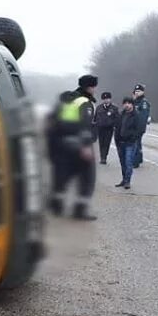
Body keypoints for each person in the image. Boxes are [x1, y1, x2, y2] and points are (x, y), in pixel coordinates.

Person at [48, 75, 98, 220]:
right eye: (94, 86)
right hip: (78, 146)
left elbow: (53, 120)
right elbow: (84, 126)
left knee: (62, 176)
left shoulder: (67, 100)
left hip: (62, 144)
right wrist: (86, 146)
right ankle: (80, 210)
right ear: (90, 87)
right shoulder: (84, 102)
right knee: (88, 178)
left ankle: (56, 206)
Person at [114, 97, 146, 190]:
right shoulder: (121, 114)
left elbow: (139, 130)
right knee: (122, 162)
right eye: (125, 103)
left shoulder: (136, 115)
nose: (127, 105)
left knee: (128, 162)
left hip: (130, 143)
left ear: (132, 104)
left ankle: (128, 181)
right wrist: (117, 139)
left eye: (129, 103)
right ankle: (124, 179)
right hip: (120, 142)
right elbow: (117, 127)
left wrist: (133, 138)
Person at [93, 91, 119, 165]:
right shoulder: (99, 108)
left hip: (109, 129)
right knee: (101, 143)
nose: (106, 100)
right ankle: (102, 157)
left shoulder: (114, 108)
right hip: (100, 128)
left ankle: (104, 157)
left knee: (107, 143)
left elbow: (117, 119)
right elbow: (95, 118)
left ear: (110, 99)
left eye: (107, 98)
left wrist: (115, 125)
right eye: (104, 99)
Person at [132, 83, 151, 168]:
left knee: (136, 143)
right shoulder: (135, 101)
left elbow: (143, 117)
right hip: (133, 126)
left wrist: (139, 128)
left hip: (139, 127)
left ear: (142, 92)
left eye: (139, 91)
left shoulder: (144, 103)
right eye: (136, 91)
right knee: (137, 143)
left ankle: (135, 162)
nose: (137, 93)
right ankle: (139, 158)